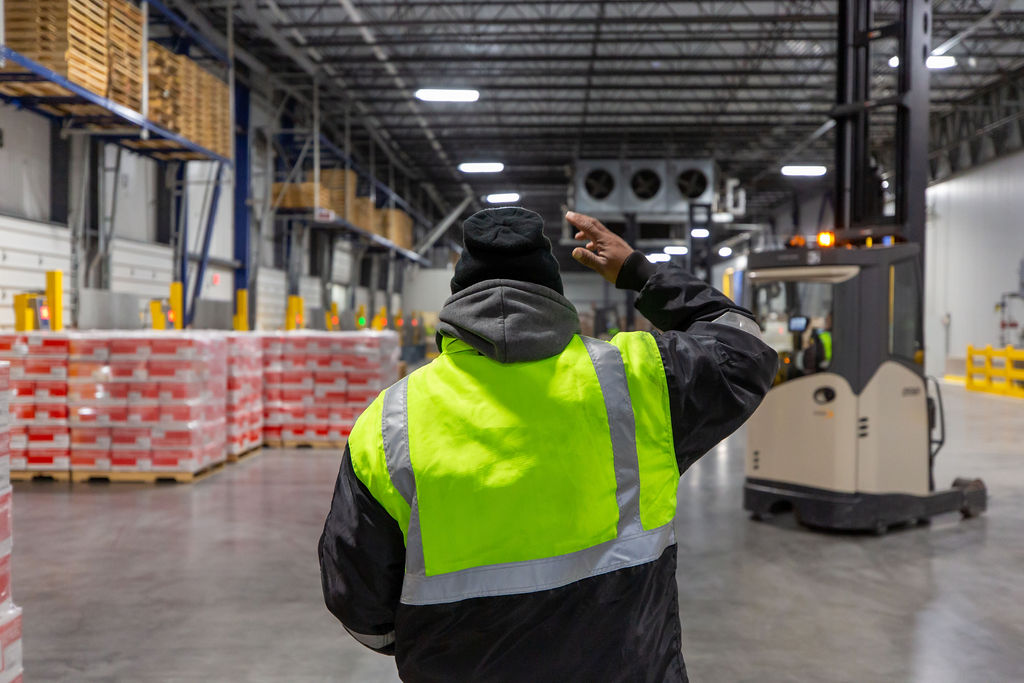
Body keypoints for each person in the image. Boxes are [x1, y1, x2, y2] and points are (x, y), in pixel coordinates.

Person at [319, 207, 778, 682]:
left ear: (458, 293)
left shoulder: (390, 421)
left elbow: (359, 603)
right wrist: (639, 273)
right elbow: (743, 344)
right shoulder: (640, 378)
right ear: (553, 288)